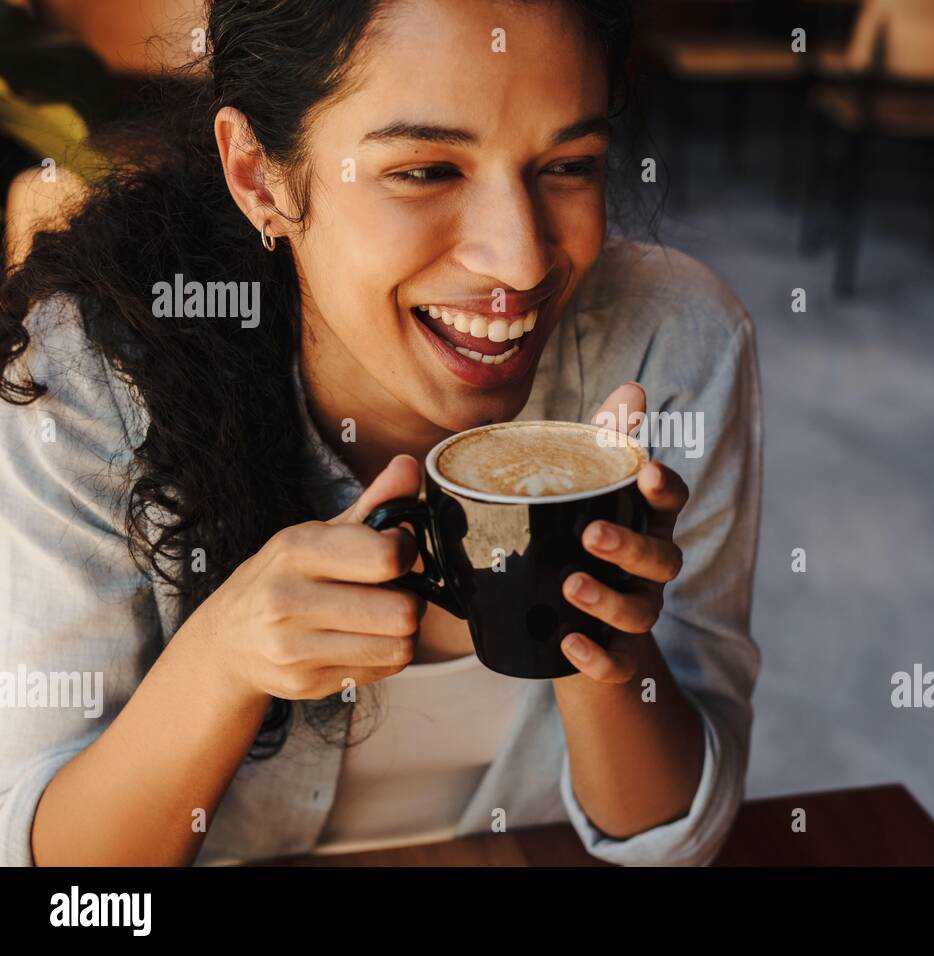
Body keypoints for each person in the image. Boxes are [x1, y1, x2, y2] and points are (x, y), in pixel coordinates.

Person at [0, 0, 762, 866]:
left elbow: (670, 840)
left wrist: (600, 629)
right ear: (258, 174)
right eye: (428, 170)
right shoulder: (93, 377)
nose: (520, 262)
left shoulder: (673, 340)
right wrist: (225, 657)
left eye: (568, 165)